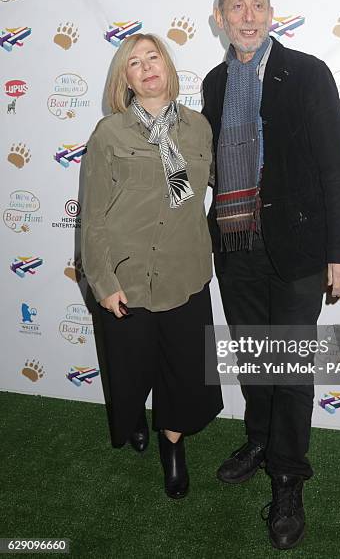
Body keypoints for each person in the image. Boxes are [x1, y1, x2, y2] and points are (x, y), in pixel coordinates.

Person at [202, 0, 340, 549]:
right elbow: (210, 164)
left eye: (258, 6)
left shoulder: (308, 72)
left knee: (288, 369)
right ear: (219, 17)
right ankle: (261, 440)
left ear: (272, 14)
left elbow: (336, 166)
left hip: (296, 246)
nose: (247, 16)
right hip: (236, 242)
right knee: (254, 359)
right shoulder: (215, 83)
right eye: (236, 7)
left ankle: (288, 477)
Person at [81, 33, 223, 500]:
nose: (146, 67)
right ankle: (136, 416)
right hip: (127, 276)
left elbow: (212, 196)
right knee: (131, 368)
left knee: (182, 370)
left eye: (153, 56)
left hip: (185, 274)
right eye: (134, 63)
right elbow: (94, 216)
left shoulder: (199, 127)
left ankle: (173, 447)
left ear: (167, 65)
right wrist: (103, 281)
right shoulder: (109, 134)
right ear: (125, 79)